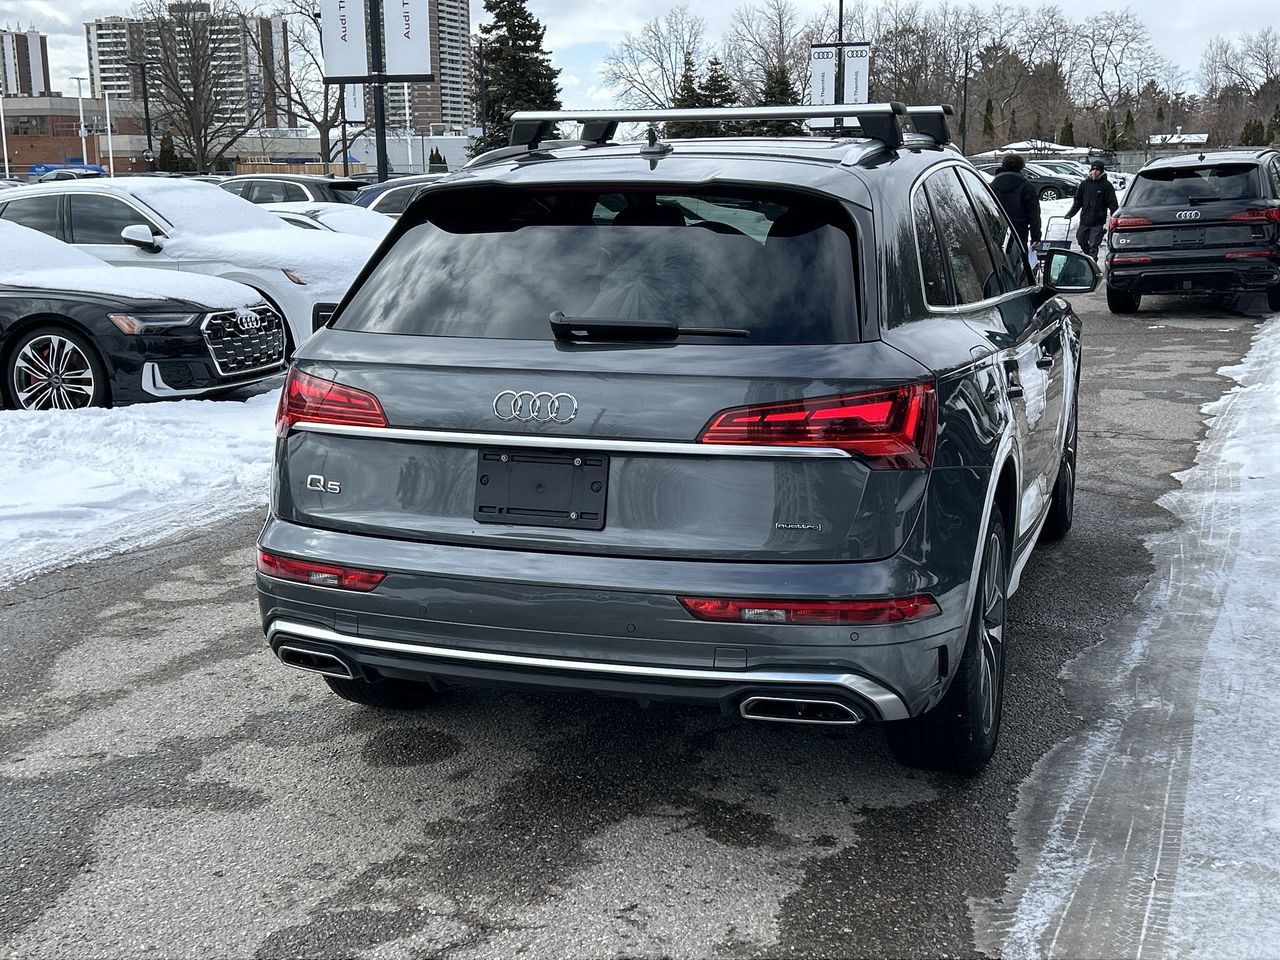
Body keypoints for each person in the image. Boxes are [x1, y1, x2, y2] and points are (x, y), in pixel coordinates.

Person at [1066, 160, 1119, 259]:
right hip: (1085, 219)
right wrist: (1070, 213)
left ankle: (1092, 262)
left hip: (1098, 220)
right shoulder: (1084, 184)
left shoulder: (1106, 185)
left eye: (1097, 170)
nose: (1095, 172)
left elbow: (1112, 203)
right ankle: (1088, 257)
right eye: (1093, 169)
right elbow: (1078, 201)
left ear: (1102, 172)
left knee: (1094, 245)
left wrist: (1115, 216)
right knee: (1081, 240)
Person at [989, 153, 1042, 252]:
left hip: (996, 233)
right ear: (1021, 168)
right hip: (1019, 234)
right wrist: (1036, 237)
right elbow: (1034, 215)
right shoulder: (1027, 187)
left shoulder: (991, 187)